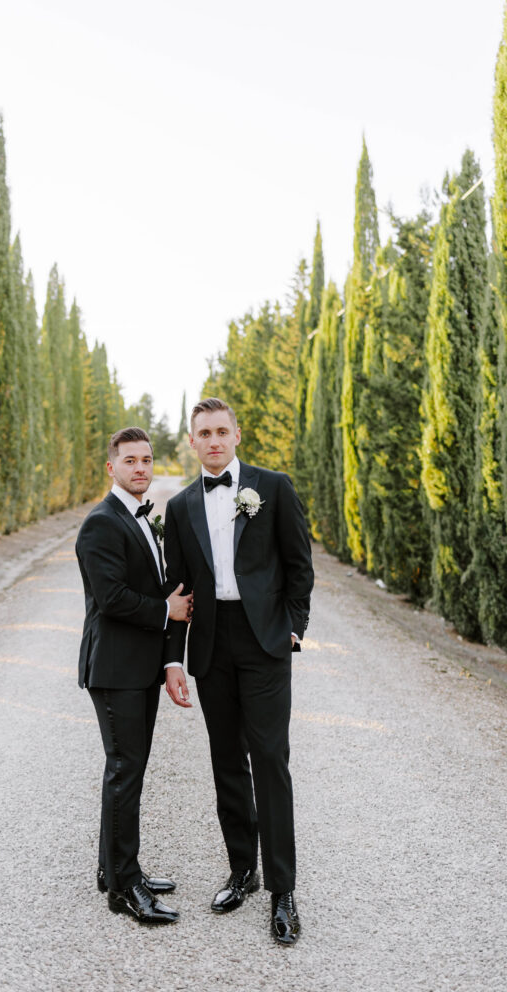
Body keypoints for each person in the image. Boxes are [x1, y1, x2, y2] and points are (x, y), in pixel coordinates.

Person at [163, 398, 314, 945]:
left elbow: (299, 564)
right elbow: (178, 589)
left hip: (264, 640)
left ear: (237, 434)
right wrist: (174, 658)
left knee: (270, 760)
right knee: (226, 758)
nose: (213, 440)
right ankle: (241, 871)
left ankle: (283, 890)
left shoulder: (272, 488)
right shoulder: (180, 507)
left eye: (222, 431)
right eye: (204, 433)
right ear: (192, 440)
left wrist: (295, 625)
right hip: (211, 644)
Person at [76, 427, 192, 926]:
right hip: (116, 670)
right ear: (112, 467)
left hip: (139, 669)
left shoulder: (143, 516)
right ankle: (124, 890)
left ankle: (116, 868)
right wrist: (166, 611)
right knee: (125, 772)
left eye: (146, 460)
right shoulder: (100, 523)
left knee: (128, 771)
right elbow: (112, 598)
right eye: (130, 461)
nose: (141, 468)